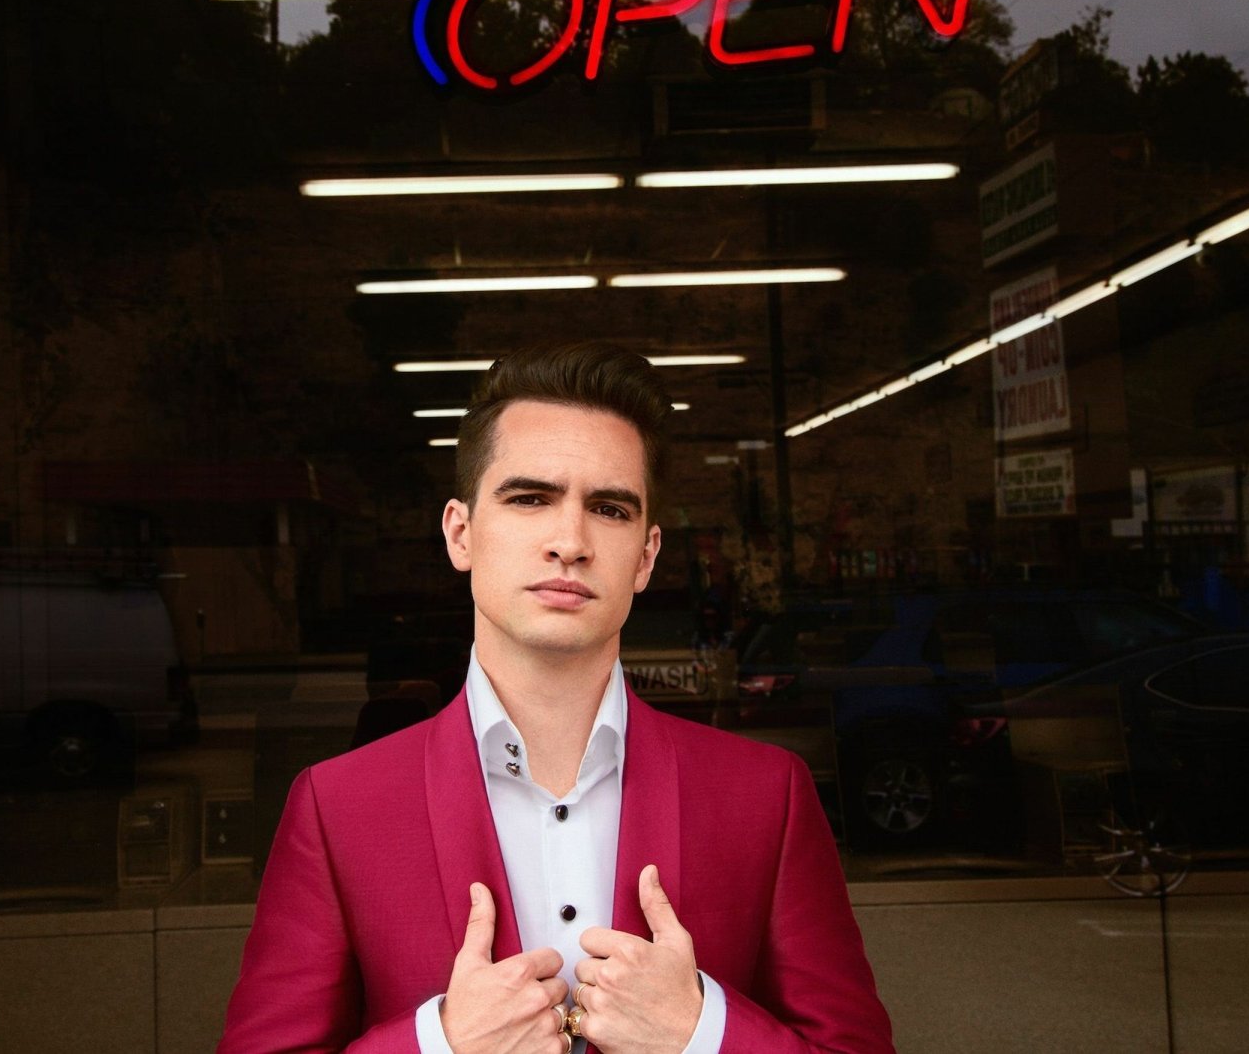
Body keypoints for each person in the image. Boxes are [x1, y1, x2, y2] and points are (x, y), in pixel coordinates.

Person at [219, 342, 895, 1053]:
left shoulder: (766, 795)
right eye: (530, 498)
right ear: (460, 533)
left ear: (646, 557)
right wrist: (440, 1045)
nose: (570, 541)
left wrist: (702, 1035)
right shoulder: (337, 808)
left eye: (608, 508)